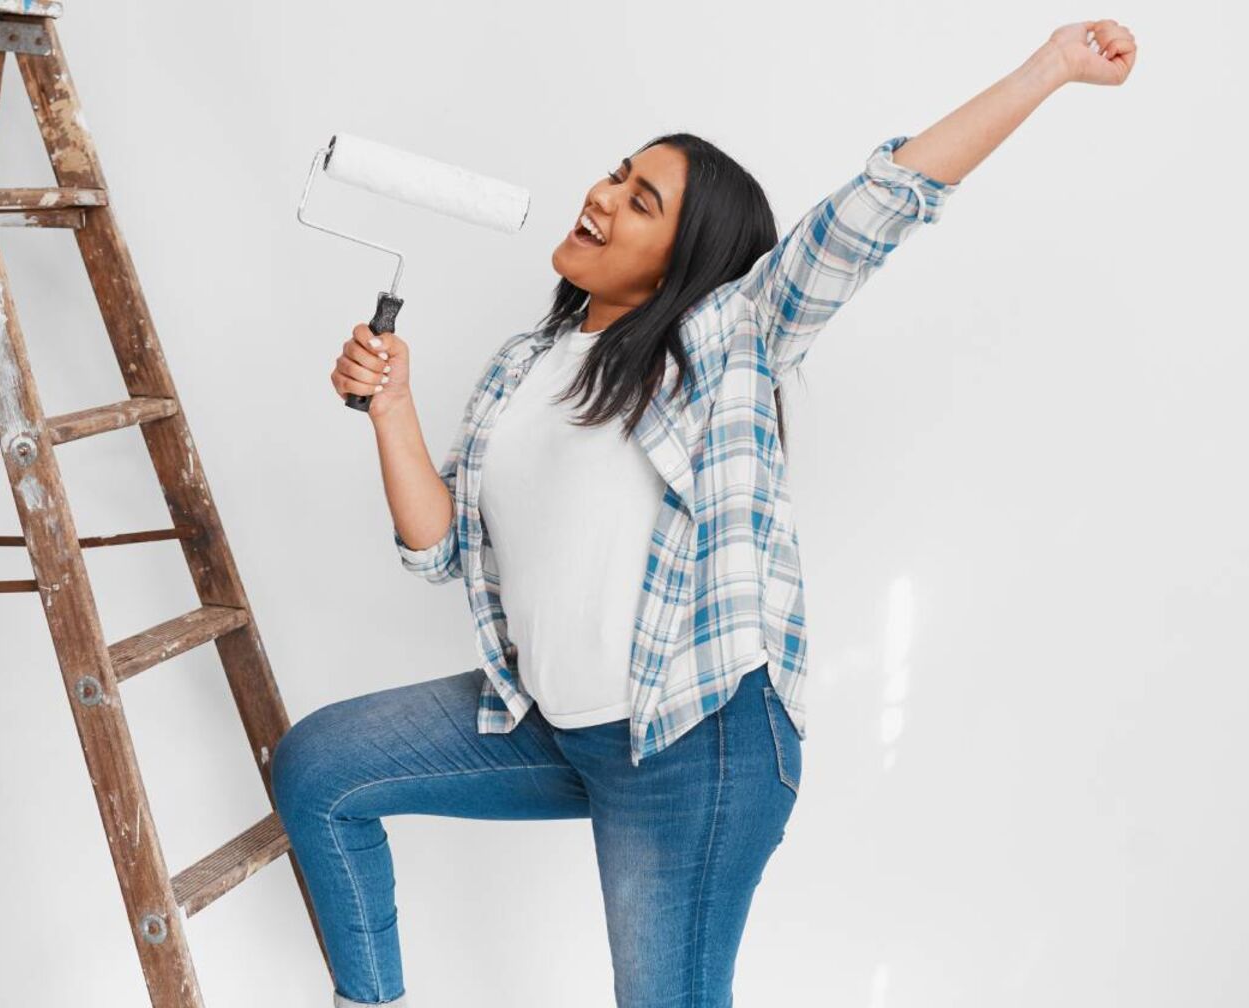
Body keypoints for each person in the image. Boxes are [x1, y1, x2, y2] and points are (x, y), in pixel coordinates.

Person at [270, 19, 1136, 1008]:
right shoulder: (523, 368)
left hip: (695, 745)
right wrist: (390, 407)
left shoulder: (723, 341)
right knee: (320, 769)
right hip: (550, 723)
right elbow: (438, 553)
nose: (601, 195)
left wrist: (1051, 68)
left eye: (642, 201)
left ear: (687, 260)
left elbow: (875, 208)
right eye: (615, 175)